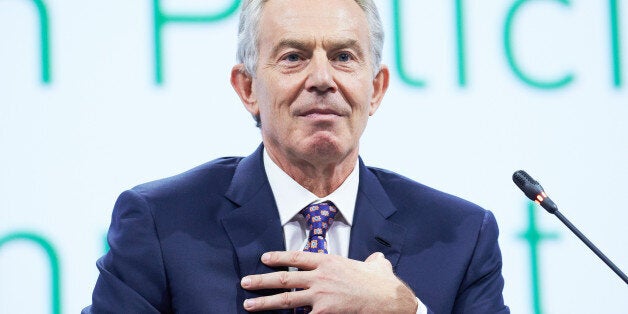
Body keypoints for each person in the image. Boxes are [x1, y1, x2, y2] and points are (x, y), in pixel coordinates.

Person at [84, 0, 509, 313]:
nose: (322, 79)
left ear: (375, 88)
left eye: (343, 57)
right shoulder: (162, 223)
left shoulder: (461, 235)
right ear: (247, 88)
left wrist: (405, 310)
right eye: (293, 57)